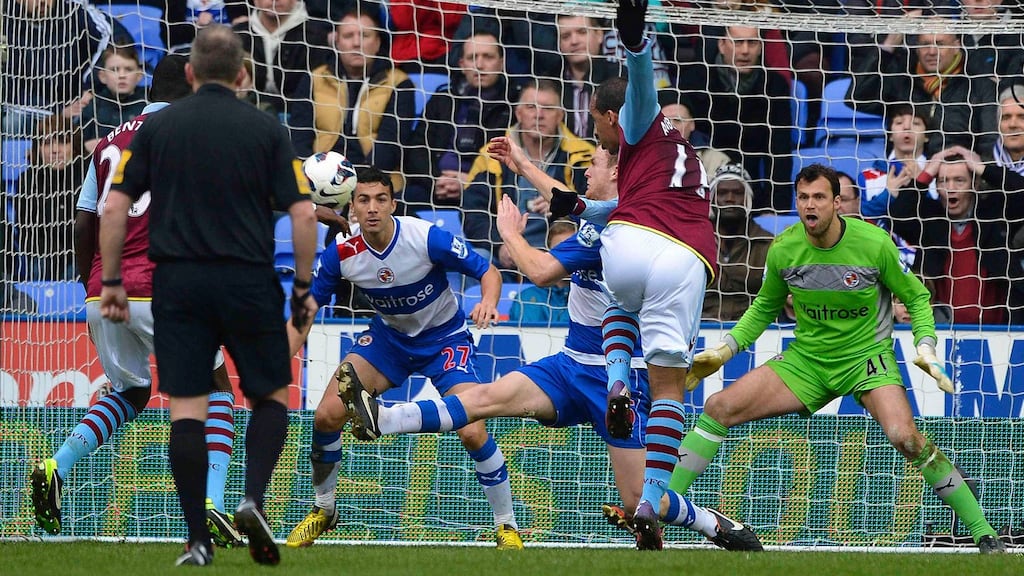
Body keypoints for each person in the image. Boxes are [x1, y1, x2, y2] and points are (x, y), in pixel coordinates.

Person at [337, 144, 762, 552]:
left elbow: (540, 271)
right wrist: (522, 165)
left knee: (639, 502)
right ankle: (384, 419)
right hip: (571, 364)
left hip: (620, 379)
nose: (585, 173)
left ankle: (714, 523)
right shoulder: (614, 213)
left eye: (593, 165)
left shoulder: (612, 233)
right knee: (485, 398)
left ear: (616, 172)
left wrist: (509, 235)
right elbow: (564, 200)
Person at [677, 163, 1006, 555]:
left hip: (866, 359)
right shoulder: (784, 248)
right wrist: (723, 350)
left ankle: (984, 533)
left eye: (818, 197)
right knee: (718, 407)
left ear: (837, 203)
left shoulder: (873, 244)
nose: (809, 206)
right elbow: (764, 307)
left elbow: (917, 297)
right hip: (808, 361)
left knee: (906, 438)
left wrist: (925, 345)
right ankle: (658, 508)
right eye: (802, 198)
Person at [98, 25, 319, 567]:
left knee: (187, 410)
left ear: (190, 74)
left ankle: (197, 539)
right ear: (243, 74)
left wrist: (110, 282)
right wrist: (306, 287)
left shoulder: (157, 128)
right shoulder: (267, 129)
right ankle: (252, 498)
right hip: (246, 280)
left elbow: (112, 208)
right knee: (270, 396)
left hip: (179, 284)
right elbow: (305, 212)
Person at [29, 53, 244, 551]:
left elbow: (83, 222)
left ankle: (55, 466)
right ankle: (211, 505)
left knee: (131, 392)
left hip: (105, 290)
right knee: (216, 390)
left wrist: (92, 285)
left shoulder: (107, 141)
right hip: (163, 287)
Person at [282, 167, 523, 550]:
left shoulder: (425, 237)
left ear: (393, 204)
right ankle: (324, 509)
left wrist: (489, 303)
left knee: (473, 430)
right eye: (363, 200)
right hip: (389, 340)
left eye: (381, 199)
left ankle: (507, 526)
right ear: (352, 207)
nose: (373, 208)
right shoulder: (341, 253)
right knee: (327, 414)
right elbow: (307, 311)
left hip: (445, 339)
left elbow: (488, 271)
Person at [555, 0, 718, 550]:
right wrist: (578, 207)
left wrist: (634, 39)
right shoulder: (680, 151)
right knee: (669, 387)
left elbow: (640, 81)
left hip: (630, 245)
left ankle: (618, 378)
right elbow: (636, 201)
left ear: (612, 117)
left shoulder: (638, 121)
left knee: (619, 305)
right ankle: (651, 500)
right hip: (686, 257)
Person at [676, 23, 794, 211]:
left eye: (752, 43)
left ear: (761, 47)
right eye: (738, 42)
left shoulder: (774, 86)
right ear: (722, 45)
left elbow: (779, 153)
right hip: (703, 186)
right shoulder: (697, 81)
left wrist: (774, 209)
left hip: (754, 191)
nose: (745, 51)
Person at [12, 115, 86, 281]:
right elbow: (25, 230)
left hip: (79, 252)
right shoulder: (27, 180)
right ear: (38, 149)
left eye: (62, 142)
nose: (55, 150)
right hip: (43, 253)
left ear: (74, 147)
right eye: (46, 143)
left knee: (76, 271)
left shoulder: (87, 177)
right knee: (40, 269)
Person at [701, 163, 772, 322]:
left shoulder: (768, 244)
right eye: (722, 193)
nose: (730, 199)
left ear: (748, 198)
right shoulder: (695, 241)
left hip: (752, 329)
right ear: (711, 198)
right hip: (700, 326)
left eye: (738, 193)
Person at [79, 45, 147, 153]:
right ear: (102, 76)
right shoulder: (93, 107)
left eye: (128, 69)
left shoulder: (148, 105)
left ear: (139, 75)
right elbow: (76, 144)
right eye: (114, 69)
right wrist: (84, 147)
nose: (122, 75)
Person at [507, 220, 574, 324]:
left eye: (572, 249)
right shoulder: (526, 298)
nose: (567, 256)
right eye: (560, 250)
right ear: (548, 253)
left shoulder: (593, 297)